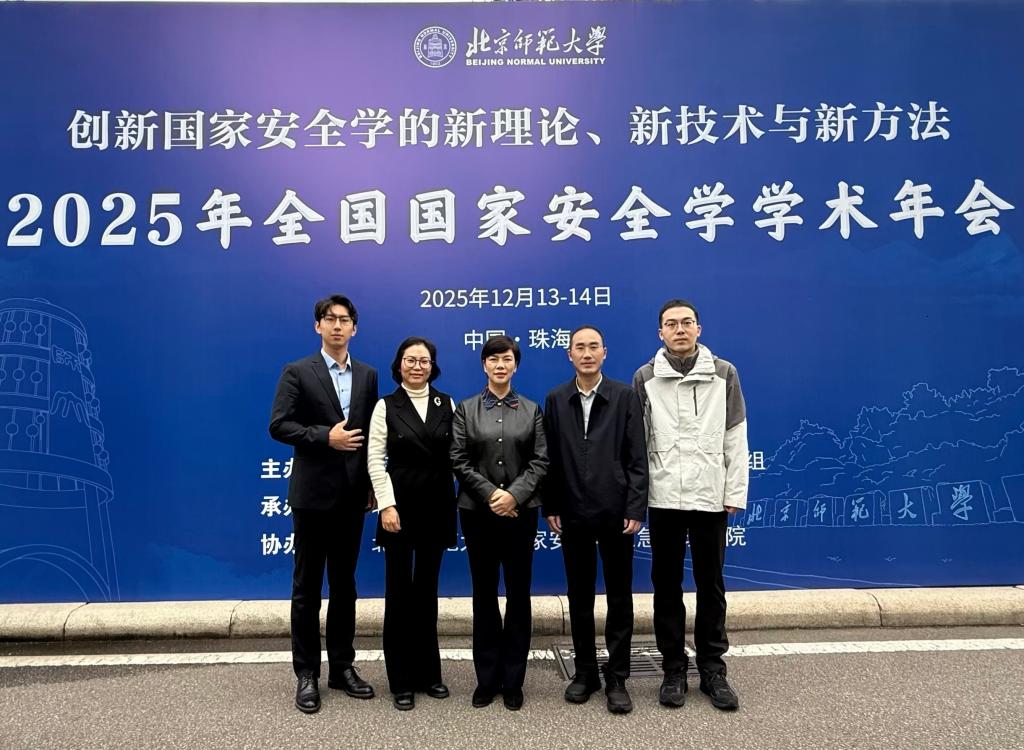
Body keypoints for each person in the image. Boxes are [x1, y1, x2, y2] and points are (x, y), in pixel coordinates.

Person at [632, 299, 749, 711]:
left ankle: (713, 669)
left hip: (710, 496)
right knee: (666, 587)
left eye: (686, 323)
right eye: (671, 324)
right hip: (664, 497)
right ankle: (673, 669)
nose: (679, 330)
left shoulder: (724, 373)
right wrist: (638, 498)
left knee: (711, 585)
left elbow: (735, 434)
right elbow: (638, 442)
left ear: (699, 329)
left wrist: (734, 491)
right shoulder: (645, 377)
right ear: (660, 333)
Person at [269, 294, 379, 714]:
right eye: (329, 319)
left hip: (352, 496)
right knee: (307, 588)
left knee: (345, 586)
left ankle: (343, 668)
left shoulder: (367, 375)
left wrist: (371, 484)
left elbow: (370, 436)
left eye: (344, 320)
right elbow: (279, 425)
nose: (337, 326)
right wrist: (324, 437)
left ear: (354, 328)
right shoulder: (298, 371)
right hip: (312, 496)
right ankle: (306, 674)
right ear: (318, 326)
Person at [543, 326, 648, 714]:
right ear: (569, 355)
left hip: (616, 513)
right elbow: (549, 458)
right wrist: (551, 505)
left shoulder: (624, 396)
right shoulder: (556, 398)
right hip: (572, 512)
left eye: (593, 347)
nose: (586, 354)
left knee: (619, 597)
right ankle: (585, 672)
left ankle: (617, 677)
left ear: (604, 353)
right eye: (579, 348)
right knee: (579, 595)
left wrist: (635, 508)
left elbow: (637, 457)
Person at [450, 335, 549, 711]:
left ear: (515, 365)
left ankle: (514, 679)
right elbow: (459, 459)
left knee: (518, 594)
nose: (500, 365)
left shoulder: (532, 410)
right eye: (493, 359)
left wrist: (514, 496)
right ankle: (487, 678)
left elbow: (540, 461)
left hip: (520, 514)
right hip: (477, 514)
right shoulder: (466, 409)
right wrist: (493, 495)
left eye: (506, 359)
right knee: (484, 593)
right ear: (484, 365)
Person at [367, 337, 457, 711]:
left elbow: (457, 455)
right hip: (400, 506)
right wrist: (386, 506)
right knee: (399, 594)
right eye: (410, 360)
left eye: (424, 361)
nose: (417, 366)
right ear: (399, 365)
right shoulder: (386, 406)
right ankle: (401, 680)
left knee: (427, 592)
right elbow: (375, 459)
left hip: (437, 503)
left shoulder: (446, 403)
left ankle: (428, 674)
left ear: (433, 366)